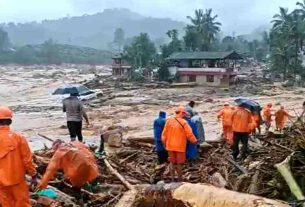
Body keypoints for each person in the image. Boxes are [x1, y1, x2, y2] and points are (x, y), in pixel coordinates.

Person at [0, 107, 37, 207]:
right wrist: (33, 174)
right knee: (22, 203)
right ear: (10, 121)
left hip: (1, 181)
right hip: (17, 179)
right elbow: (27, 160)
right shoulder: (19, 138)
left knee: (6, 204)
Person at [162, 106, 197, 181]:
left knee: (172, 162)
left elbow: (164, 134)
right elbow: (189, 134)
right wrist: (194, 141)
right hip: (179, 146)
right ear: (182, 113)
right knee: (179, 163)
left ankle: (172, 179)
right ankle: (179, 179)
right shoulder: (184, 122)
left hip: (170, 146)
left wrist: (164, 143)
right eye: (184, 113)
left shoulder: (169, 121)